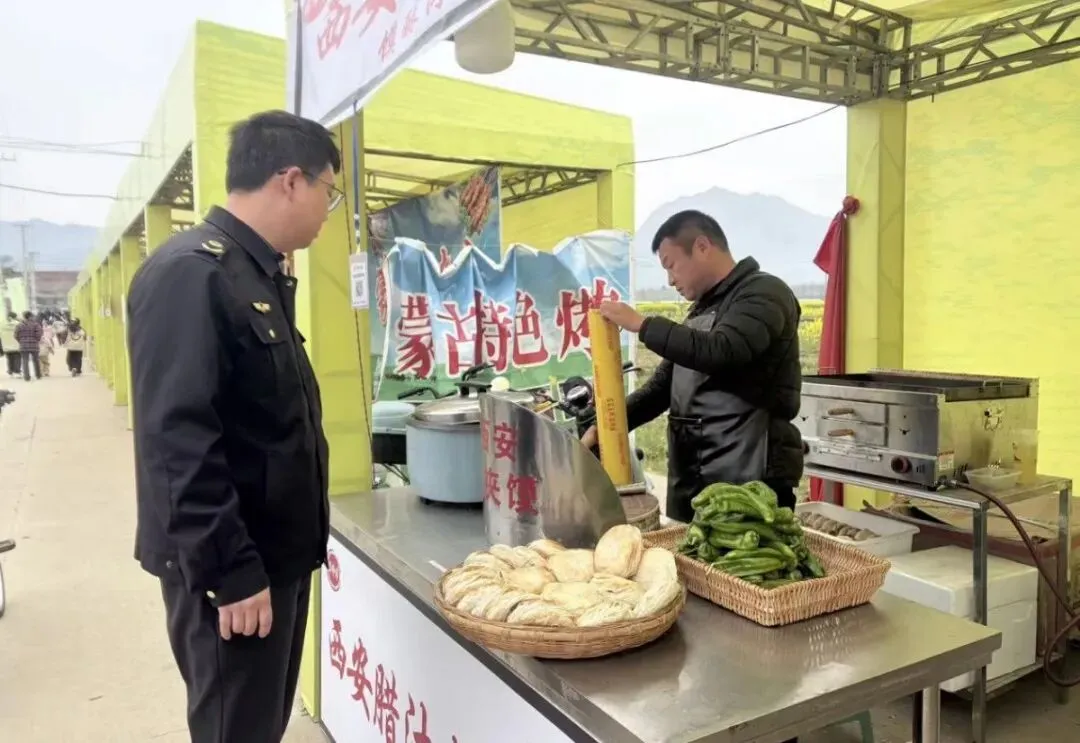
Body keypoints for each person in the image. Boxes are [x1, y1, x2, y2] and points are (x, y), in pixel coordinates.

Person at [127, 110, 338, 743]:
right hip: (235, 570)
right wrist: (229, 573)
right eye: (330, 190)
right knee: (234, 731)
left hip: (274, 557)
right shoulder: (193, 272)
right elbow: (177, 440)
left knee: (258, 727)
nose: (331, 209)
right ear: (291, 181)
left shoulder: (257, 272)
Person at [586, 210, 804, 519]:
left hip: (750, 485)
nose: (670, 279)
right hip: (693, 481)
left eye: (671, 265)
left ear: (702, 246)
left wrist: (643, 325)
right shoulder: (702, 310)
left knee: (737, 567)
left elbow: (723, 351)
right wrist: (604, 427)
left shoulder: (764, 293)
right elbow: (660, 390)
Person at [14, 311, 42, 381]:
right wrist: (36, 340)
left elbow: (15, 335)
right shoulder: (36, 324)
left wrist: (20, 341)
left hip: (23, 345)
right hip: (34, 345)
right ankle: (38, 375)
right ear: (31, 316)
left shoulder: (19, 325)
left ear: (24, 316)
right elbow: (39, 335)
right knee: (36, 360)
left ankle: (26, 377)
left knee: (25, 361)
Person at [1, 312, 20, 377]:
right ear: (14, 317)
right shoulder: (18, 324)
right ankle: (17, 372)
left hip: (6, 344)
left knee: (9, 358)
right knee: (17, 358)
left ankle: (10, 371)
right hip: (16, 344)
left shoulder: (2, 324)